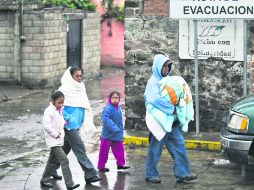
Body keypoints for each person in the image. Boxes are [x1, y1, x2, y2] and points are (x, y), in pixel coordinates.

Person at [144, 54, 197, 183]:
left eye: (168, 66)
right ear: (157, 67)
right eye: (164, 66)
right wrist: (172, 108)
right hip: (159, 123)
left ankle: (182, 173)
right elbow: (155, 99)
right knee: (155, 150)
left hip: (173, 123)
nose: (166, 69)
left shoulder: (168, 80)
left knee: (180, 147)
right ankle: (150, 174)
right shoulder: (153, 82)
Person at [49, 67, 102, 184]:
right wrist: (67, 119)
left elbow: (83, 104)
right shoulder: (64, 90)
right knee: (80, 149)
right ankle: (90, 173)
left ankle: (51, 170)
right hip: (68, 125)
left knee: (64, 149)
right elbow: (58, 108)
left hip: (77, 124)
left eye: (80, 75)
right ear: (70, 76)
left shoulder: (80, 87)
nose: (79, 78)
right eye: (77, 76)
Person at [40, 90, 80, 190]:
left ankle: (44, 179)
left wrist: (64, 123)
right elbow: (47, 126)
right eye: (59, 102)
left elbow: (58, 121)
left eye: (62, 102)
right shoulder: (49, 111)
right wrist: (56, 135)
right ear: (52, 101)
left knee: (51, 161)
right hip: (53, 141)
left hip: (58, 140)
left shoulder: (59, 109)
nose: (61, 104)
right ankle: (69, 184)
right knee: (64, 160)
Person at [97, 91, 130, 172]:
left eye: (117, 98)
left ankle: (120, 164)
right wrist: (114, 128)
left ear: (119, 99)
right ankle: (101, 166)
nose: (115, 99)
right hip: (108, 134)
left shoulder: (118, 107)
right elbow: (105, 119)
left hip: (117, 134)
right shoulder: (108, 108)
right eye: (113, 98)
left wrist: (120, 131)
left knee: (119, 150)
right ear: (110, 99)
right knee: (104, 151)